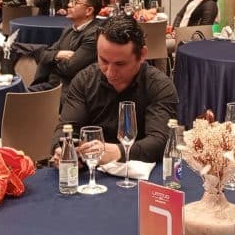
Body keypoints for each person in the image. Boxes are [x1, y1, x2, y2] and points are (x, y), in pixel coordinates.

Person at [51, 15, 178, 164]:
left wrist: (118, 152)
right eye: (103, 60)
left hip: (142, 172)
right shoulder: (84, 80)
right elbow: (66, 129)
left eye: (120, 64)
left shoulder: (159, 86)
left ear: (142, 55)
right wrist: (62, 150)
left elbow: (160, 141)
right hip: (91, 170)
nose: (110, 73)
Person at [30, 0, 104, 92]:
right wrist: (57, 55)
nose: (69, 5)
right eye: (71, 1)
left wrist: (50, 60)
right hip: (51, 84)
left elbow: (69, 69)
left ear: (89, 11)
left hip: (68, 91)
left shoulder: (94, 35)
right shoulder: (69, 29)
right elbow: (45, 55)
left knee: (16, 98)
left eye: (75, 2)